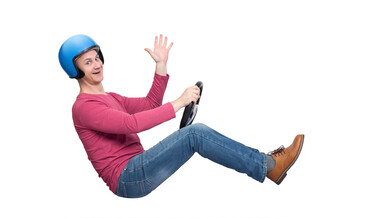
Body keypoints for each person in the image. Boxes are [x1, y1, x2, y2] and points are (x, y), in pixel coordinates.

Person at [58, 34, 305, 198]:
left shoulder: (110, 97)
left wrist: (161, 65)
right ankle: (268, 166)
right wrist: (179, 102)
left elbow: (150, 104)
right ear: (75, 70)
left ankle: (267, 165)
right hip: (128, 178)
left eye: (97, 57)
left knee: (192, 136)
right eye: (87, 62)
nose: (97, 64)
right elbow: (131, 124)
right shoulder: (84, 107)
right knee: (195, 134)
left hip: (138, 165)